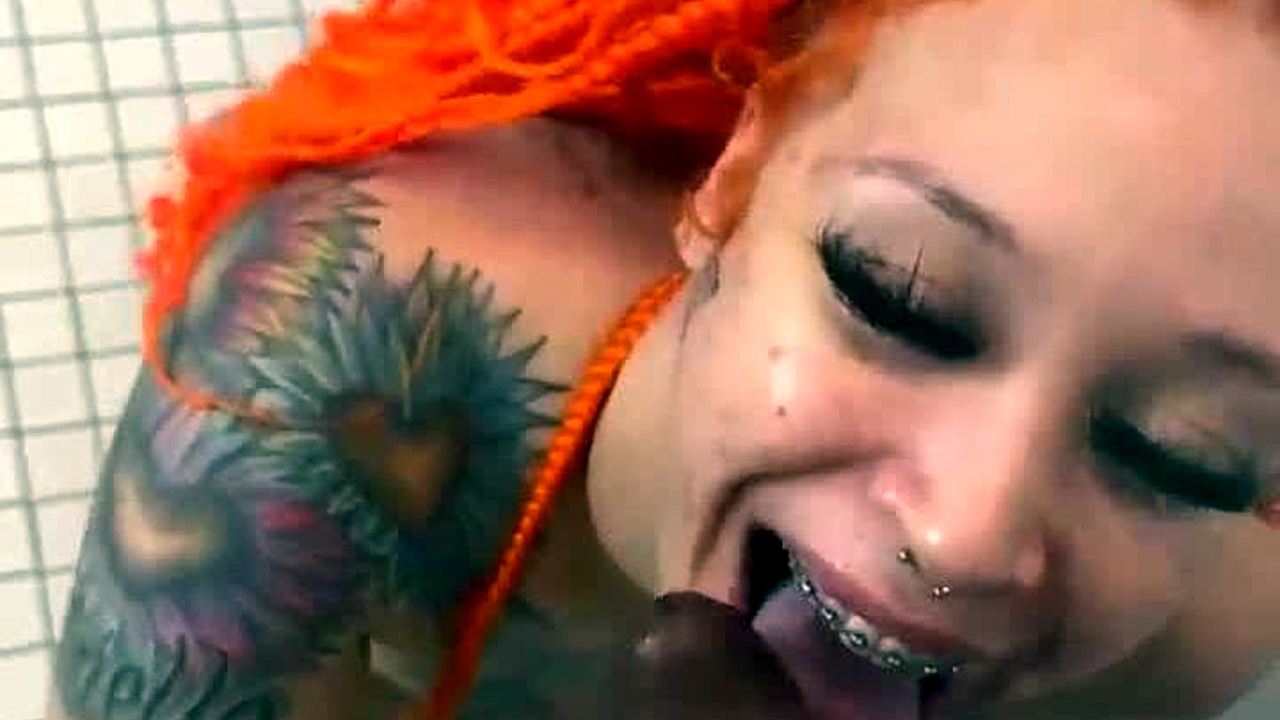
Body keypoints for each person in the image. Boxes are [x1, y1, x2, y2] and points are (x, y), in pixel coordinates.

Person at [48, 0, 1280, 718]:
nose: (966, 534)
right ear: (735, 175)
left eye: (1184, 456)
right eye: (895, 294)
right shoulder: (352, 355)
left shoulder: (1195, 643)